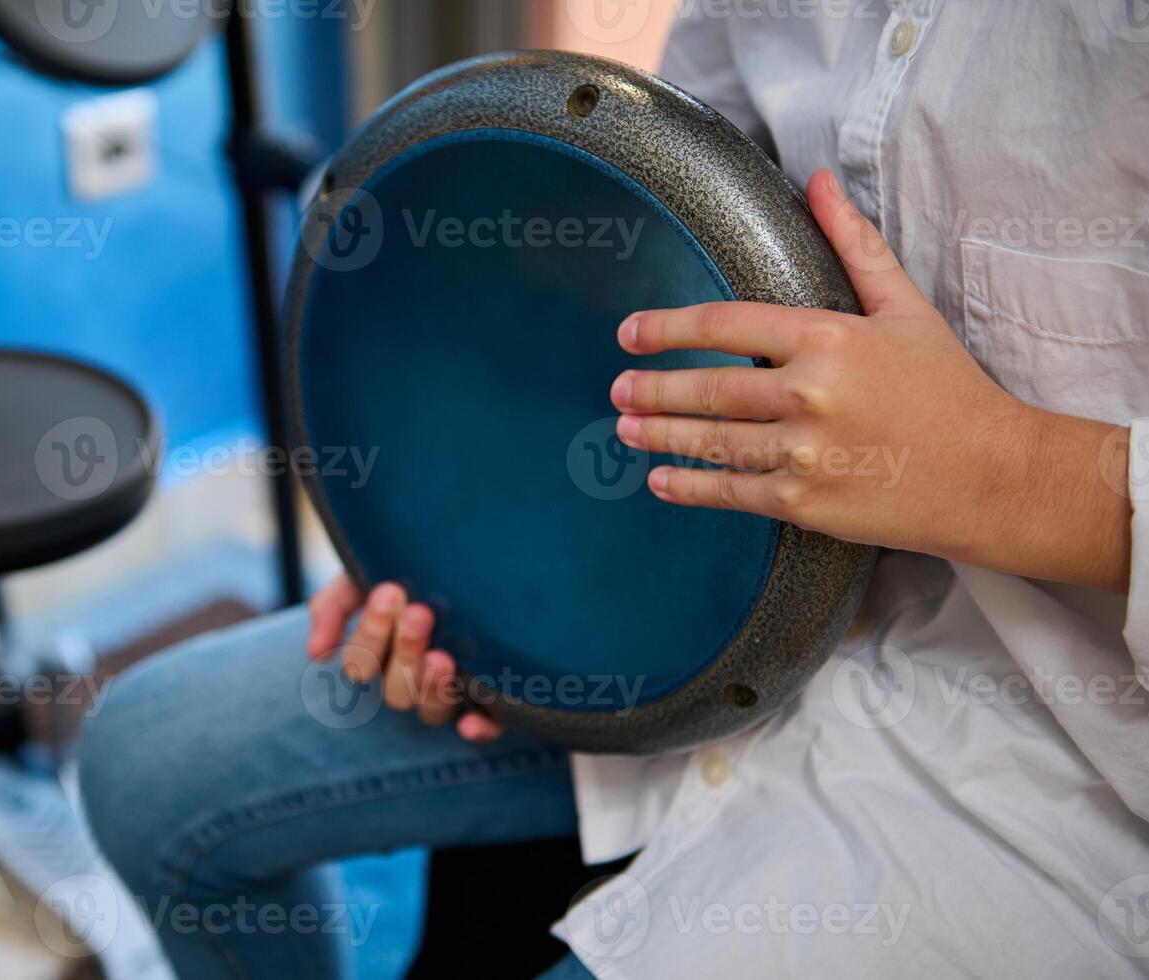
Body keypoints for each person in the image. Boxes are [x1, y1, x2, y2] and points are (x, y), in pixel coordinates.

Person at [77, 2, 1149, 976]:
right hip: (687, 589)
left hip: (1055, 768)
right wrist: (441, 554)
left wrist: (999, 470)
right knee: (144, 763)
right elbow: (665, 223)